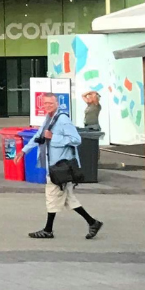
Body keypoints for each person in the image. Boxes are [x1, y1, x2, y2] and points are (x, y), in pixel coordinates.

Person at [23, 94, 104, 240]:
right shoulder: (49, 119)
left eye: (51, 103)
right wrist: (23, 151)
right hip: (54, 166)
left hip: (61, 167)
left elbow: (76, 139)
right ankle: (93, 222)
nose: (48, 105)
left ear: (57, 104)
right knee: (68, 199)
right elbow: (39, 137)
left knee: (51, 196)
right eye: (45, 103)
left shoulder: (63, 120)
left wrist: (54, 137)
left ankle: (48, 230)